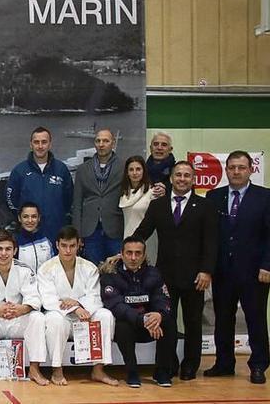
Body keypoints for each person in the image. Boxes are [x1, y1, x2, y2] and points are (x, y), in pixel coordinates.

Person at [133, 160, 218, 380]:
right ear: (171, 178)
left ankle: (190, 365)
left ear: (193, 179)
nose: (182, 179)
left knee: (192, 322)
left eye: (187, 175)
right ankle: (167, 365)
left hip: (195, 277)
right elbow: (143, 232)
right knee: (166, 321)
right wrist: (125, 250)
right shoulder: (158, 205)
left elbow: (211, 242)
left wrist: (206, 270)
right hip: (165, 276)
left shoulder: (205, 206)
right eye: (178, 175)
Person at [205, 151, 270, 384]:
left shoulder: (265, 197)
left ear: (251, 169)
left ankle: (259, 365)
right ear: (226, 170)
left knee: (255, 319)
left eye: (241, 167)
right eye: (232, 167)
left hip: (255, 273)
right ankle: (224, 363)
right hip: (223, 272)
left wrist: (267, 265)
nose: (236, 172)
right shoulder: (214, 196)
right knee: (223, 319)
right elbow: (209, 236)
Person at [38, 226, 117, 386]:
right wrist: (74, 308)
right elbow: (49, 300)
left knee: (105, 315)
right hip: (63, 318)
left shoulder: (89, 268)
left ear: (79, 245)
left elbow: (94, 296)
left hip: (85, 316)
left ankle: (98, 369)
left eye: (72, 246)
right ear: (57, 245)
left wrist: (79, 304)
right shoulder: (45, 269)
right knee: (54, 319)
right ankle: (56, 370)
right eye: (64, 246)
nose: (68, 250)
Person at [0, 230, 48, 386]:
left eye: (8, 249)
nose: (3, 253)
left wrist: (21, 309)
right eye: (0, 249)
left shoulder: (25, 270)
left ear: (15, 250)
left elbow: (34, 298)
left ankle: (34, 369)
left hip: (16, 320)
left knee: (38, 318)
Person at [100, 236, 176, 388]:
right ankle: (132, 372)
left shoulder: (154, 273)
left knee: (169, 322)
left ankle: (162, 371)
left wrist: (159, 315)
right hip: (130, 325)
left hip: (152, 326)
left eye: (138, 253)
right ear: (121, 253)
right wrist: (143, 320)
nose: (133, 257)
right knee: (122, 325)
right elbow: (116, 305)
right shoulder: (110, 275)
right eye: (129, 253)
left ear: (144, 255)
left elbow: (162, 298)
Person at [6, 126, 73, 240]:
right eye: (36, 142)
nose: (40, 146)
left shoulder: (61, 170)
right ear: (31, 145)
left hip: (56, 232)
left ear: (50, 144)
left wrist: (56, 215)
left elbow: (69, 199)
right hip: (28, 235)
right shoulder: (19, 171)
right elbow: (11, 201)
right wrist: (26, 219)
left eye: (44, 142)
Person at [72, 129, 125, 264]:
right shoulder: (83, 169)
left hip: (115, 229)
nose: (101, 144)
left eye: (106, 141)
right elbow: (77, 203)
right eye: (98, 141)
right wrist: (77, 233)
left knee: (116, 271)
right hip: (90, 231)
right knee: (92, 271)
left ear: (113, 143)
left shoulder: (124, 166)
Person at [119, 155, 163, 264]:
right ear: (127, 172)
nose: (135, 173)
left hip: (147, 239)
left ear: (144, 171)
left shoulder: (153, 192)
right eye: (131, 169)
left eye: (138, 169)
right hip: (127, 238)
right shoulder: (123, 193)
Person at [14, 202, 54, 273]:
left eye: (34, 216)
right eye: (25, 216)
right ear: (19, 218)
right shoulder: (15, 242)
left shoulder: (46, 240)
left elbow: (52, 267)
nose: (30, 220)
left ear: (39, 218)